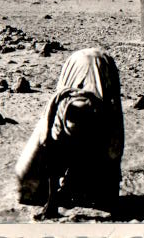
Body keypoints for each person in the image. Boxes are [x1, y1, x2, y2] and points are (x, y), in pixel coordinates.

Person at [15, 48, 124, 220]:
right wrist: (52, 203)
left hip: (102, 67)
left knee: (103, 183)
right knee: (54, 157)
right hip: (76, 63)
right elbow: (52, 159)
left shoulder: (101, 118)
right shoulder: (58, 120)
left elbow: (113, 148)